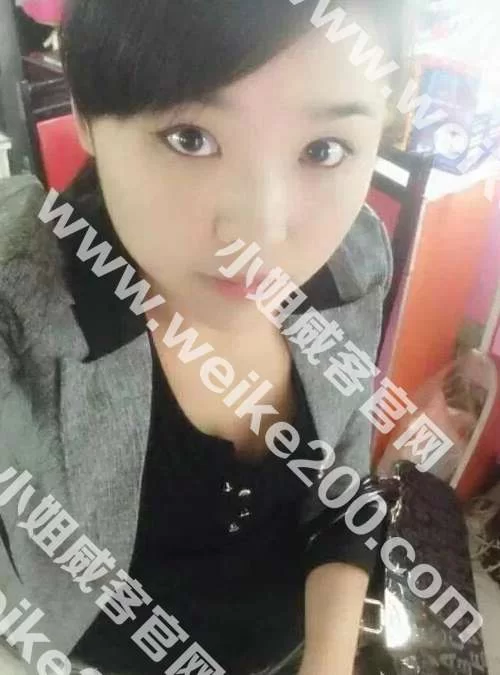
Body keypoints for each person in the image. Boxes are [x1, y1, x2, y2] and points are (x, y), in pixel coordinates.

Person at [0, 1, 410, 673]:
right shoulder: (21, 326)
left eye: (323, 149)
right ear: (86, 112)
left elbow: (341, 492)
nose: (260, 232)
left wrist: (329, 660)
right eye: (190, 137)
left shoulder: (351, 265)